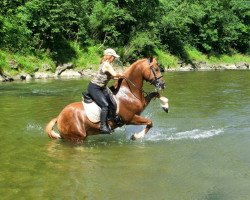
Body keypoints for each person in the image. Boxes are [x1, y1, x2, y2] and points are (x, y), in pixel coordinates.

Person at [87, 48, 122, 134]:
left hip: (102, 87)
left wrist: (120, 77)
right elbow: (114, 75)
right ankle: (103, 126)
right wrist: (123, 75)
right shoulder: (107, 64)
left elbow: (113, 77)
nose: (115, 58)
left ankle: (113, 119)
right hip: (94, 87)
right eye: (114, 57)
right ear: (110, 56)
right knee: (105, 105)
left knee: (112, 101)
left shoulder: (108, 64)